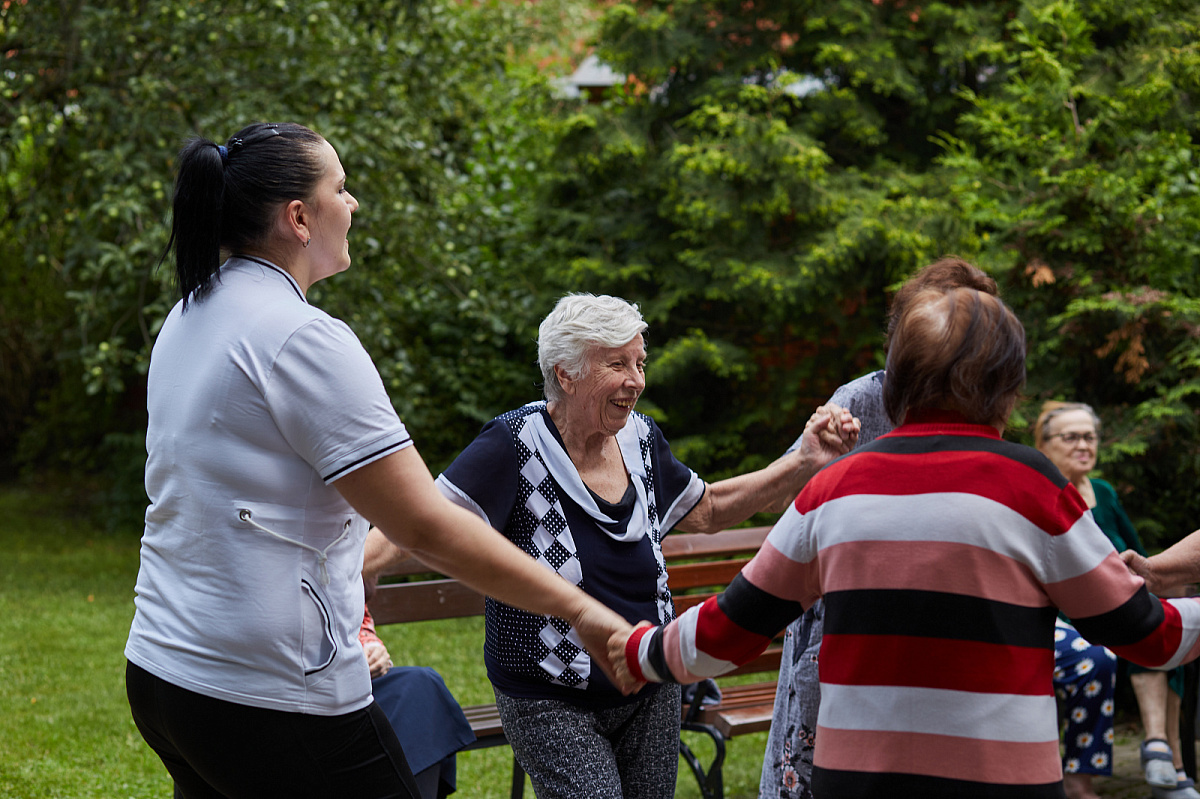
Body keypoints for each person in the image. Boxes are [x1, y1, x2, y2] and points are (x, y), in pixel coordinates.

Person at [124, 123, 639, 799]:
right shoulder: (301, 338)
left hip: (166, 673)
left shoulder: (190, 313)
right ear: (299, 218)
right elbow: (426, 525)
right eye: (340, 187)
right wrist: (578, 608)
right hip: (269, 692)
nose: (354, 202)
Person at [614, 287, 1200, 799]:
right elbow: (1149, 636)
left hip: (856, 782)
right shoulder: (1031, 487)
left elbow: (729, 629)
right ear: (1006, 387)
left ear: (897, 384)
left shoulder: (831, 491)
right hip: (1000, 784)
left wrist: (639, 651)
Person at [363, 292, 857, 799]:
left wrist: (801, 461)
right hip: (549, 696)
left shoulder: (640, 439)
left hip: (647, 678)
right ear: (566, 373)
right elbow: (425, 518)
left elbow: (707, 509)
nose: (636, 381)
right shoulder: (512, 443)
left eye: (640, 363)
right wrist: (355, 569)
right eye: (617, 363)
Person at [759, 256, 1000, 799]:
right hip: (847, 622)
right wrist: (812, 458)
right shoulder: (863, 399)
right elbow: (791, 509)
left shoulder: (981, 401)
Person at [1037, 402, 1199, 799]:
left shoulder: (1105, 493)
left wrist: (1156, 581)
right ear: (1043, 445)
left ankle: (1163, 749)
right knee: (1126, 635)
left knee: (1158, 619)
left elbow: (1141, 557)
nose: (1083, 445)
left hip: (1120, 600)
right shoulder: (1043, 493)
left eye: (1089, 437)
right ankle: (1165, 759)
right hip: (1066, 614)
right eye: (1070, 437)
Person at [359, 608, 474, 799]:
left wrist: (372, 648)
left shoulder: (339, 579)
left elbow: (357, 619)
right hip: (309, 692)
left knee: (422, 684)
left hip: (362, 681)